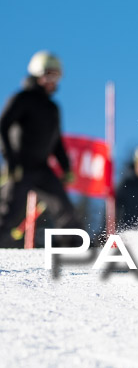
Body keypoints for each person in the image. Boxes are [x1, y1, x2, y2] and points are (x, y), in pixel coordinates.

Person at [0, 50, 82, 247]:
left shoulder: (52, 108)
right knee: (8, 213)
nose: (53, 80)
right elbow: (3, 126)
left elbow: (56, 141)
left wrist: (66, 168)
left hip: (41, 168)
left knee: (65, 209)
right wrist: (11, 161)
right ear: (37, 74)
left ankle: (72, 253)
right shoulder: (22, 98)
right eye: (49, 75)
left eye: (56, 76)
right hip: (20, 166)